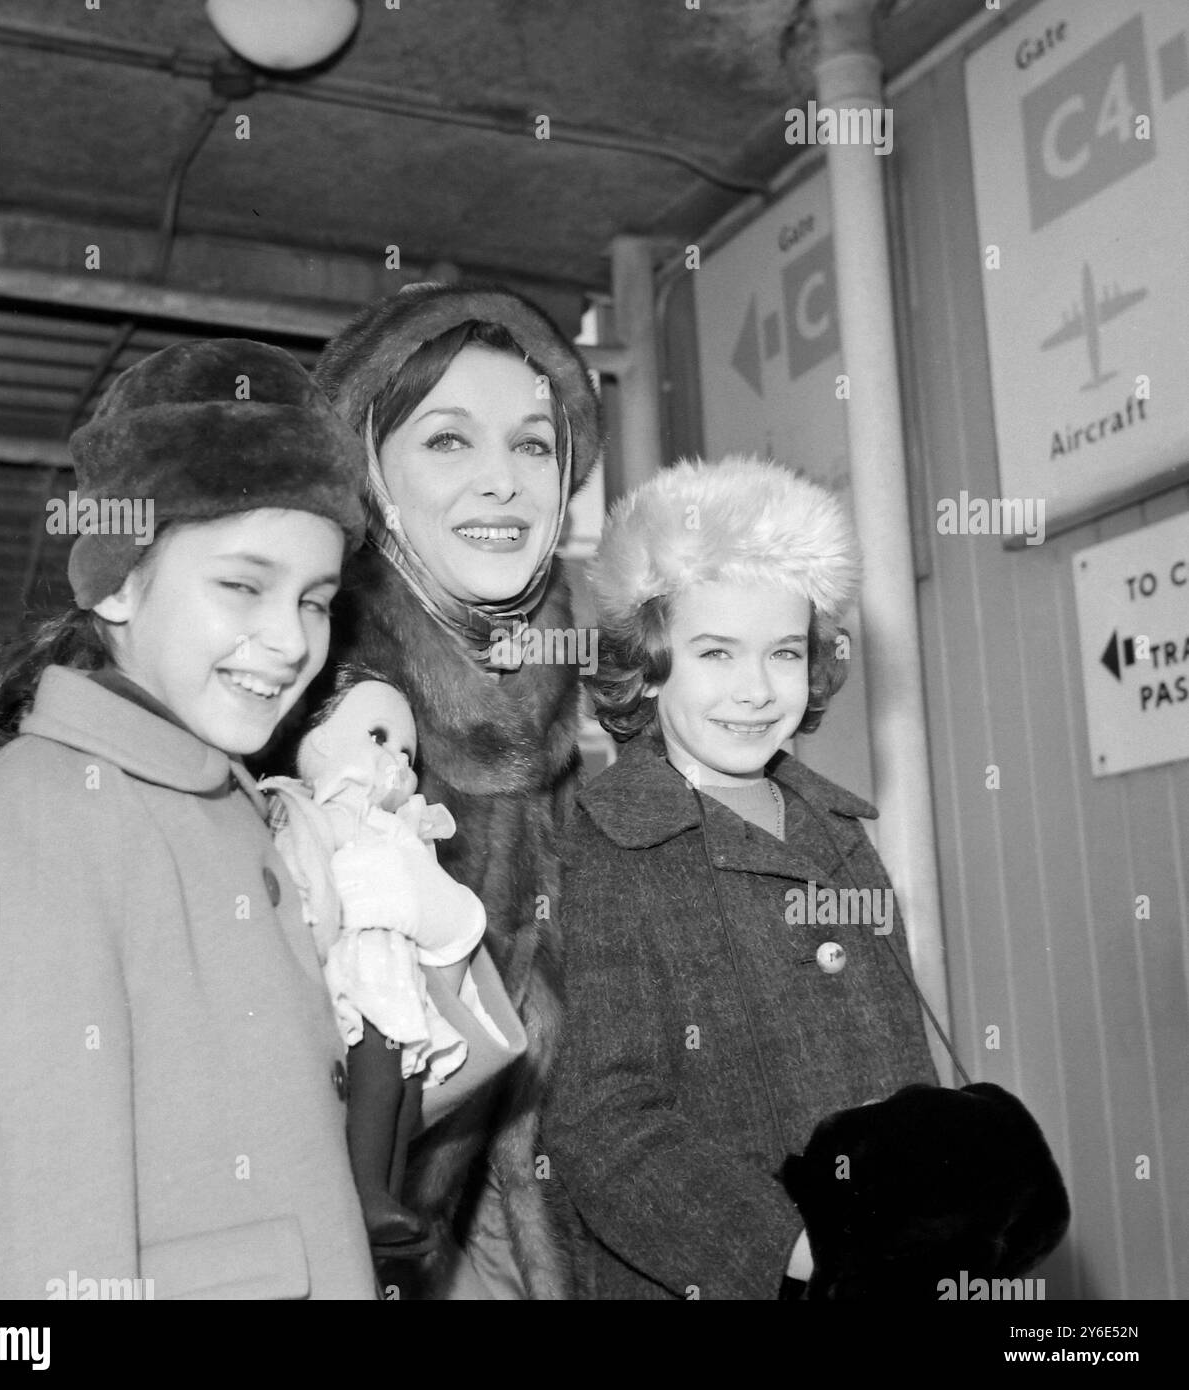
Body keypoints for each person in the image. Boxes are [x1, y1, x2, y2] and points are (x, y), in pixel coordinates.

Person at [0, 338, 524, 1299]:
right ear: (115, 579)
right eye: (242, 585)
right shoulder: (34, 828)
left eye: (315, 600)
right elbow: (15, 1265)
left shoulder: (233, 813)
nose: (288, 641)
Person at [541, 455, 940, 1299]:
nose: (755, 691)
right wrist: (804, 1251)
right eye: (716, 652)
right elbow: (605, 1127)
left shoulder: (839, 831)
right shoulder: (613, 845)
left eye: (783, 653)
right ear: (649, 660)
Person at [312, 282, 602, 1299]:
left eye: (532, 445)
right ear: (366, 471)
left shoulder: (607, 703)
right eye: (447, 442)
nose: (504, 483)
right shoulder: (310, 713)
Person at [261, 669, 490, 1258]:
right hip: (355, 970)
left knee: (408, 1088)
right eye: (378, 736)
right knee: (378, 1074)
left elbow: (445, 912)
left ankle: (387, 1200)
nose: (397, 761)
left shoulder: (395, 828)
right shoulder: (312, 810)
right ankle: (362, 1193)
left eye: (408, 754)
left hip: (397, 973)